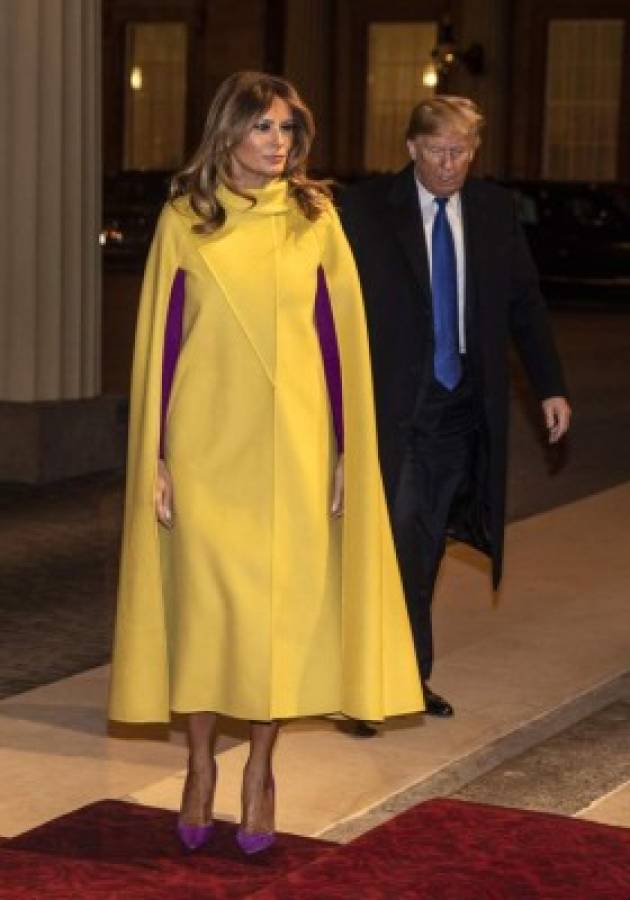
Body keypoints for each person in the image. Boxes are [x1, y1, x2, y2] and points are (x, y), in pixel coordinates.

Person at [108, 72, 423, 854]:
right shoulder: (186, 218)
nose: (278, 144)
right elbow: (162, 348)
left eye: (287, 130)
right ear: (228, 134)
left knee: (274, 620)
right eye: (263, 129)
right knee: (210, 613)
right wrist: (153, 457)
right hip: (207, 446)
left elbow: (337, 341)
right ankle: (200, 766)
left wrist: (349, 450)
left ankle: (259, 773)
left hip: (293, 447)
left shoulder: (313, 218)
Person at [339, 96, 571, 728]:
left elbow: (525, 302)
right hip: (394, 406)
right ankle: (382, 686)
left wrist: (550, 386)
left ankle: (403, 677)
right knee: (402, 541)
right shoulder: (363, 210)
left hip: (461, 407)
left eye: (462, 151)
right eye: (439, 150)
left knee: (428, 543)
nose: (451, 164)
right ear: (412, 147)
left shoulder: (493, 210)